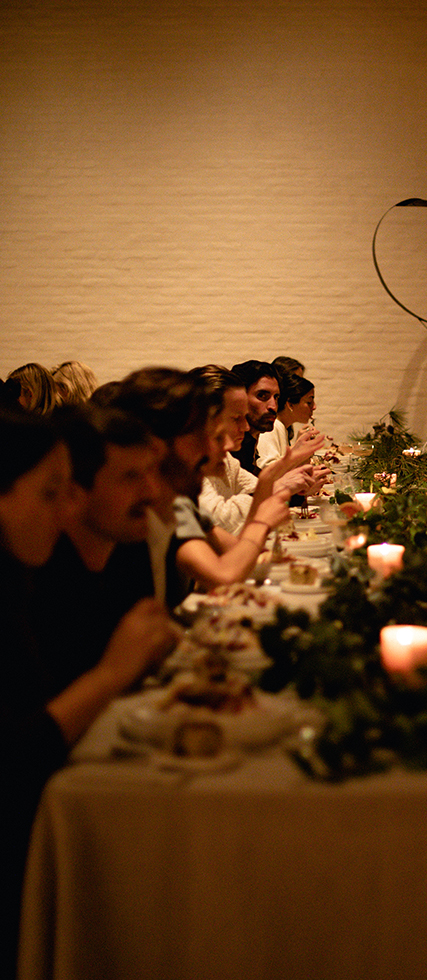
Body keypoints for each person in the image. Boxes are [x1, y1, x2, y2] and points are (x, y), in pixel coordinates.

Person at [0, 408, 176, 977]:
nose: (67, 507)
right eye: (52, 491)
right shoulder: (32, 581)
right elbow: (13, 764)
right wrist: (110, 674)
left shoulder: (27, 572)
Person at [110, 367, 291, 596]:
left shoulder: (179, 501)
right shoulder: (138, 508)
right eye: (207, 436)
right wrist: (260, 523)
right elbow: (222, 576)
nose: (221, 448)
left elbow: (235, 552)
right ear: (160, 442)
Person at [32, 404, 165, 690]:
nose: (152, 491)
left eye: (150, 472)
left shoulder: (129, 547)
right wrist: (113, 673)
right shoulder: (32, 576)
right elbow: (26, 729)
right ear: (72, 492)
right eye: (131, 477)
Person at [193, 365, 324, 535]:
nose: (273, 406)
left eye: (276, 397)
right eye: (236, 418)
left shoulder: (226, 458)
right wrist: (280, 482)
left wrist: (286, 476)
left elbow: (258, 489)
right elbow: (220, 521)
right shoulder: (184, 465)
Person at [256, 371, 318, 469]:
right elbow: (266, 468)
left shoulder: (282, 426)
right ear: (290, 404)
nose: (314, 407)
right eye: (309, 402)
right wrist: (298, 450)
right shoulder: (272, 427)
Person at [229, 360, 281, 475]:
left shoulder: (249, 442)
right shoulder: (231, 448)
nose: (273, 406)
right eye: (262, 395)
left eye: (276, 397)